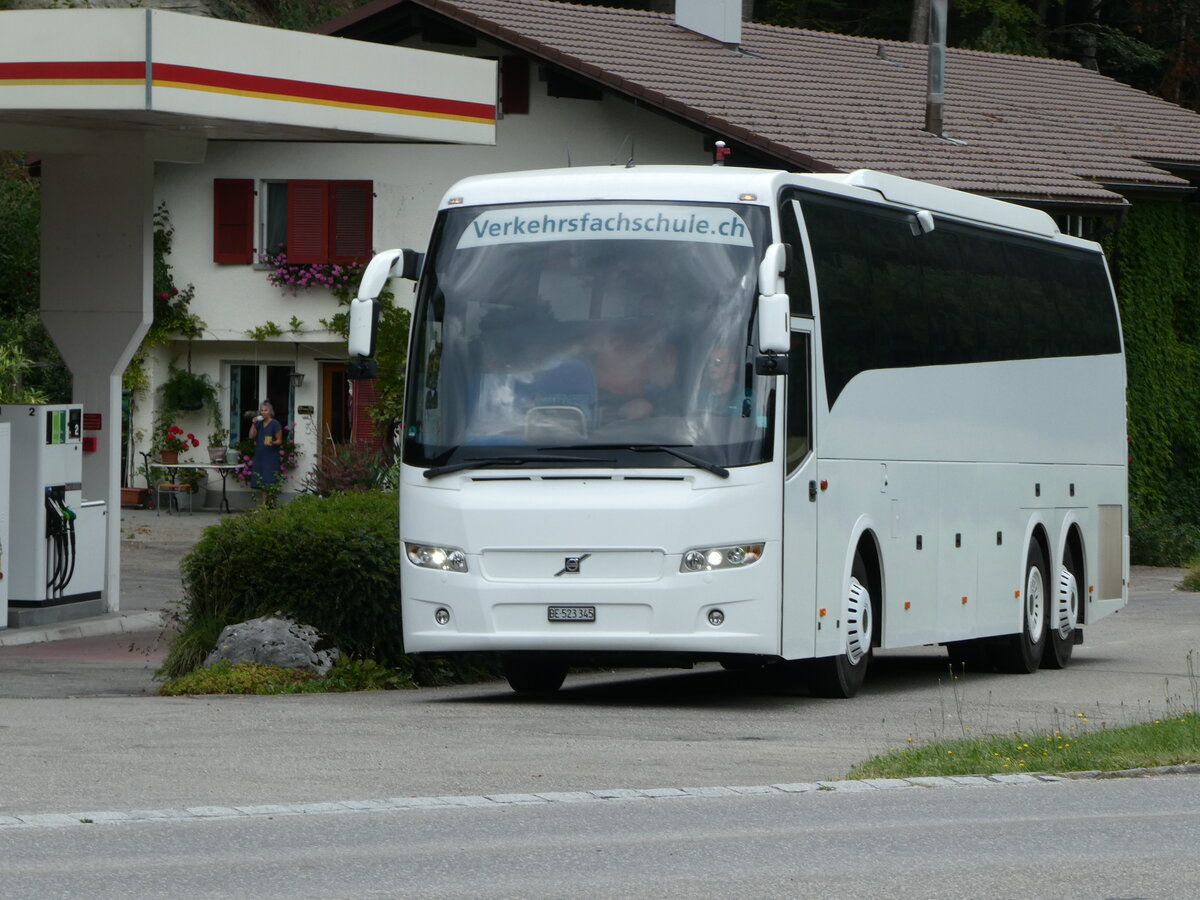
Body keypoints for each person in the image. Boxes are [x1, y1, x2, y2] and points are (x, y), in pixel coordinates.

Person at [248, 401, 283, 501]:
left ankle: (269, 505)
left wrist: (272, 442)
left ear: (270, 411)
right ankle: (264, 506)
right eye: (262, 410)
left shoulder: (275, 424)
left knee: (269, 480)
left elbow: (279, 441)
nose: (263, 412)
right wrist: (253, 424)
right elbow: (251, 436)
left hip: (270, 457)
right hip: (260, 456)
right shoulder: (259, 423)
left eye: (265, 410)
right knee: (262, 482)